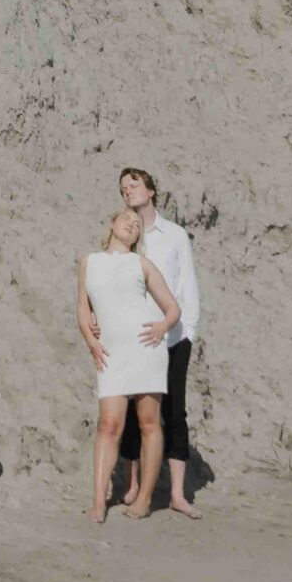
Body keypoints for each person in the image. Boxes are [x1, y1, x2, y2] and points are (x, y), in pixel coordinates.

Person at [76, 205, 180, 523]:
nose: (131, 225)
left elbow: (172, 309)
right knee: (108, 425)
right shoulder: (89, 262)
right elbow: (82, 307)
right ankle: (98, 501)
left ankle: (145, 499)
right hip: (111, 352)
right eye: (126, 219)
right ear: (112, 224)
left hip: (145, 349)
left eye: (136, 224)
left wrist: (161, 328)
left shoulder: (141, 263)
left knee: (149, 424)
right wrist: (92, 342)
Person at [116, 165, 202, 517]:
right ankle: (133, 486)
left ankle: (178, 495)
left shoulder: (175, 235)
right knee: (135, 414)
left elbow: (188, 285)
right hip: (137, 338)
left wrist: (188, 333)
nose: (128, 190)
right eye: (123, 188)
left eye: (134, 184)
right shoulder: (126, 237)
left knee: (174, 412)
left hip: (174, 337)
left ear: (151, 191)